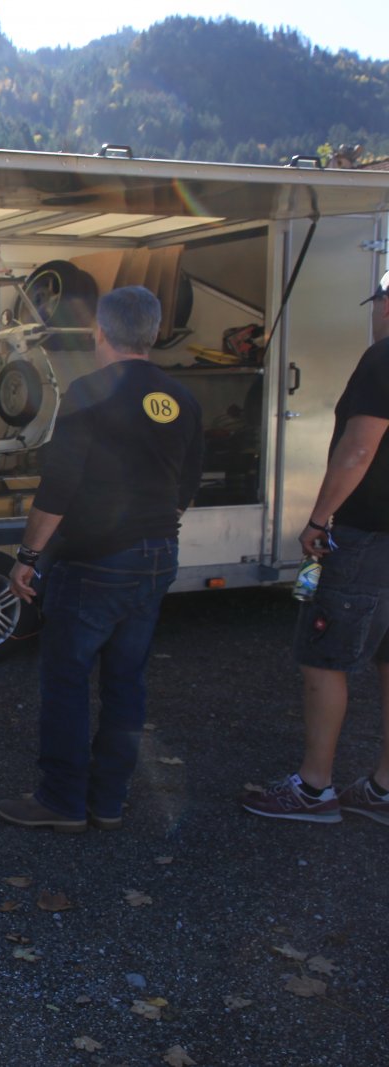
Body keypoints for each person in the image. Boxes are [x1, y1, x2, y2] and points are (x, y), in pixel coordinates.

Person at [0, 286, 203, 833]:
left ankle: (62, 800)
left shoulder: (90, 391)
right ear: (153, 334)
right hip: (158, 555)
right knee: (126, 682)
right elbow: (187, 484)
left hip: (96, 561)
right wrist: (153, 528)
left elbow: (59, 486)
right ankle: (108, 800)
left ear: (99, 333)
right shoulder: (182, 397)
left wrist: (27, 556)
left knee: (66, 680)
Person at [241, 270, 389, 826]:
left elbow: (358, 449)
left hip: (366, 537)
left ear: (387, 306)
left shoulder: (383, 358)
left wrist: (319, 519)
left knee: (323, 657)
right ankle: (383, 789)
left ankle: (313, 787)